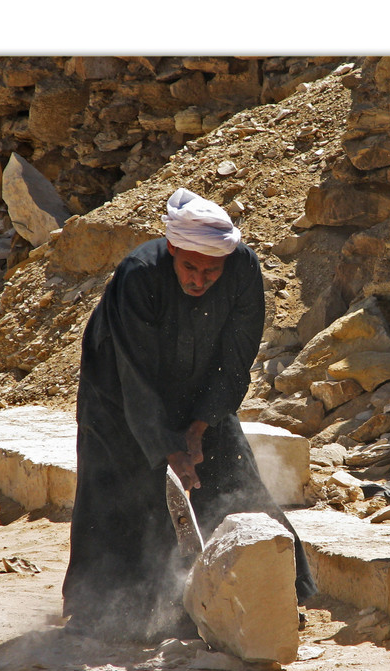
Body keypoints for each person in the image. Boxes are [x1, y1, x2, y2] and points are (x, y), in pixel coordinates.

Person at [61, 188, 317, 640]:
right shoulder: (139, 275)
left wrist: (199, 428)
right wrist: (166, 448)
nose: (200, 280)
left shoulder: (242, 270)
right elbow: (136, 377)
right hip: (118, 394)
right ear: (174, 249)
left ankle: (274, 592)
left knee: (232, 477)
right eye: (190, 268)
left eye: (210, 271)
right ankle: (104, 609)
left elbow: (236, 359)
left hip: (200, 388)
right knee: (120, 489)